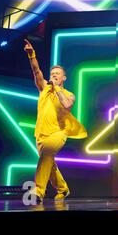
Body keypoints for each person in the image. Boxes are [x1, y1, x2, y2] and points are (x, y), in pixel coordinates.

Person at [24, 39, 87, 203]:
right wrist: (32, 55)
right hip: (40, 134)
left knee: (45, 156)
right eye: (52, 73)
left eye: (57, 73)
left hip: (59, 133)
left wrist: (57, 89)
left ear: (63, 77)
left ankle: (38, 191)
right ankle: (63, 189)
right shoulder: (44, 87)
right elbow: (36, 71)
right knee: (48, 162)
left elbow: (66, 105)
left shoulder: (69, 94)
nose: (53, 75)